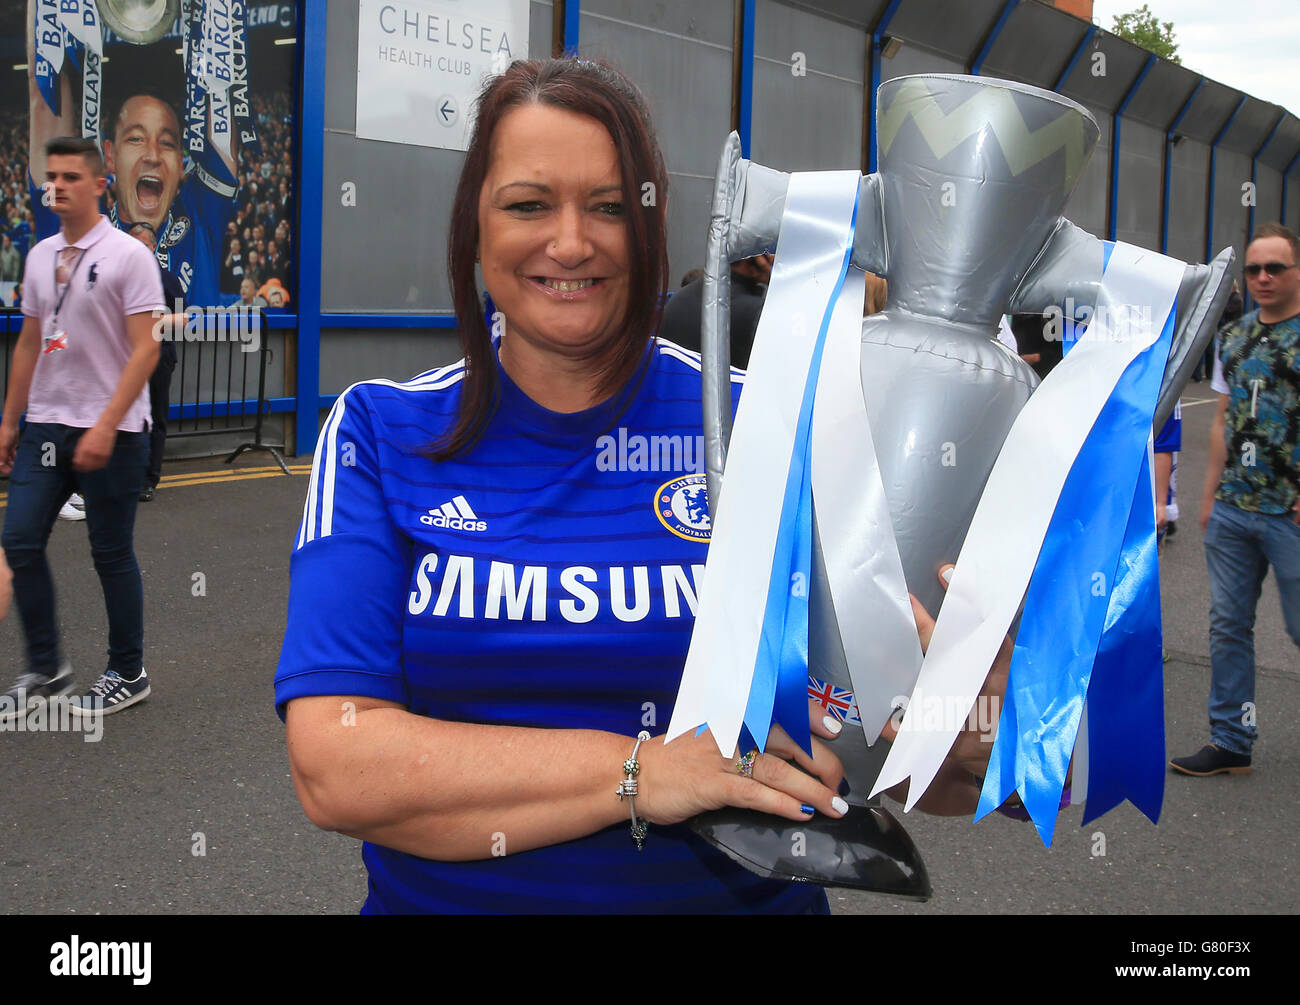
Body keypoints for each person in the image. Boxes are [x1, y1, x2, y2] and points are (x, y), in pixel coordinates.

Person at [275, 58, 1006, 914]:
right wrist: (644, 771)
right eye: (528, 203)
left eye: (611, 206)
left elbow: (906, 764)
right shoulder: (380, 433)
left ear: (655, 230)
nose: (572, 241)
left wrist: (976, 725)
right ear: (475, 228)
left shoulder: (769, 427)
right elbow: (336, 765)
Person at [0, 136, 163, 721]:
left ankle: (128, 670)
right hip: (46, 426)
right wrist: (9, 420)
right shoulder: (41, 255)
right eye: (52, 176)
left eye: (71, 176)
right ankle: (46, 666)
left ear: (100, 185)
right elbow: (27, 343)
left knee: (110, 552)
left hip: (113, 432)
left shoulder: (129, 256)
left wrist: (105, 425)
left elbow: (146, 351)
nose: (58, 186)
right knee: (19, 539)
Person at [1171, 223, 1300, 777]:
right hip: (1233, 510)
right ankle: (1231, 740)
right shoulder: (1234, 336)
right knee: (1228, 625)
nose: (1263, 278)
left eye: (1275, 268)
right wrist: (1208, 495)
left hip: (1290, 512)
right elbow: (1224, 418)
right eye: (1253, 270)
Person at [125, 221, 183, 502]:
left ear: (152, 246)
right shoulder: (120, 278)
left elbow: (182, 320)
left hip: (159, 356)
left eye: (140, 245)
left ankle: (149, 479)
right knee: (127, 417)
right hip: (125, 356)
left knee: (155, 418)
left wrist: (146, 322)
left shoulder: (168, 279)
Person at [657, 254, 772, 368]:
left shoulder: (678, 299)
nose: (774, 257)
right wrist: (776, 278)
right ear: (752, 256)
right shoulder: (756, 312)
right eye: (768, 249)